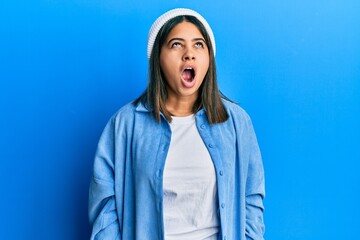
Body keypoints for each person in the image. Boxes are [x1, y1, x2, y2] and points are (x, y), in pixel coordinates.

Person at [89, 8, 265, 240]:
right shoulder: (125, 124)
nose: (189, 54)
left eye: (198, 45)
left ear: (209, 58)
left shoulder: (236, 122)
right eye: (176, 44)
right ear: (157, 58)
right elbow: (104, 202)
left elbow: (251, 198)